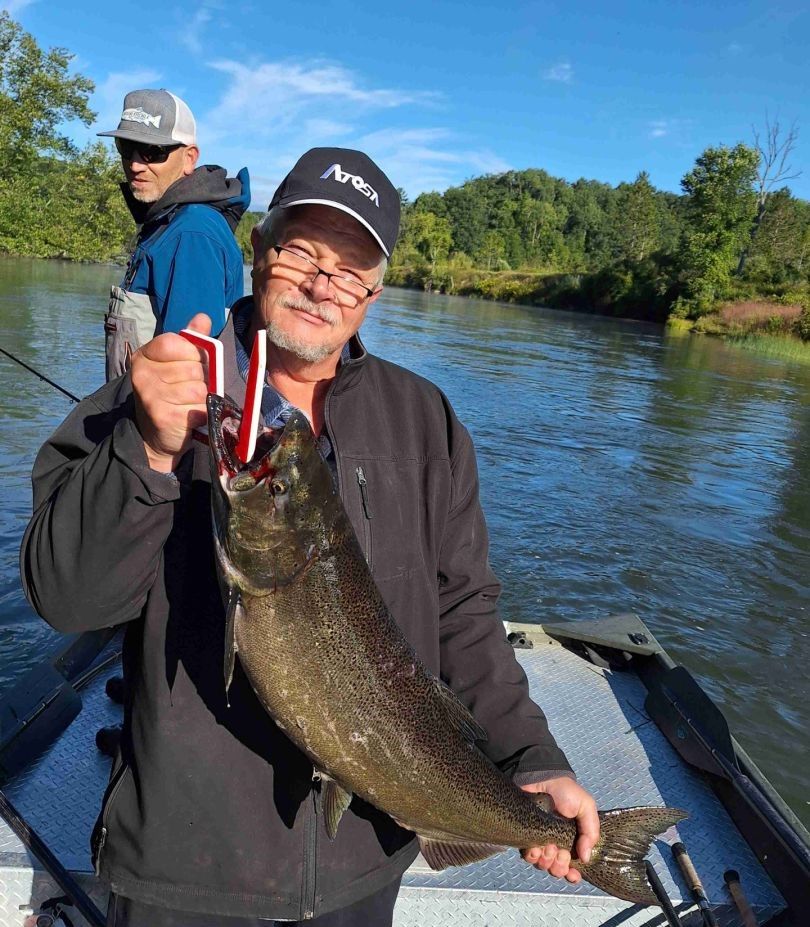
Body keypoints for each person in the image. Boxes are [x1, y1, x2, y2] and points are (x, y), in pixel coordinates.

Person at [21, 147, 599, 927]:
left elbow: (463, 612)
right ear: (260, 250)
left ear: (375, 291)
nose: (323, 284)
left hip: (367, 861)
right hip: (186, 872)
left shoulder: (425, 419)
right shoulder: (155, 392)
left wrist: (533, 759)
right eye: (302, 251)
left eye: (352, 267)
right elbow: (68, 597)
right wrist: (147, 448)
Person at [98, 88, 250, 381]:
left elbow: (187, 376)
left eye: (153, 152)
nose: (135, 164)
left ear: (189, 158)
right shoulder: (167, 224)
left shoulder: (191, 233)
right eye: (125, 147)